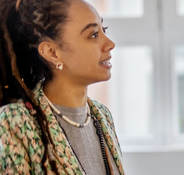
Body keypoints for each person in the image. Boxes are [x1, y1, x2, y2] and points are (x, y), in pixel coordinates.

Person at [0, 0, 123, 174]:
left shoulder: (102, 116)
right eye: (93, 34)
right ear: (52, 52)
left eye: (105, 30)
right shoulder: (15, 123)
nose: (110, 43)